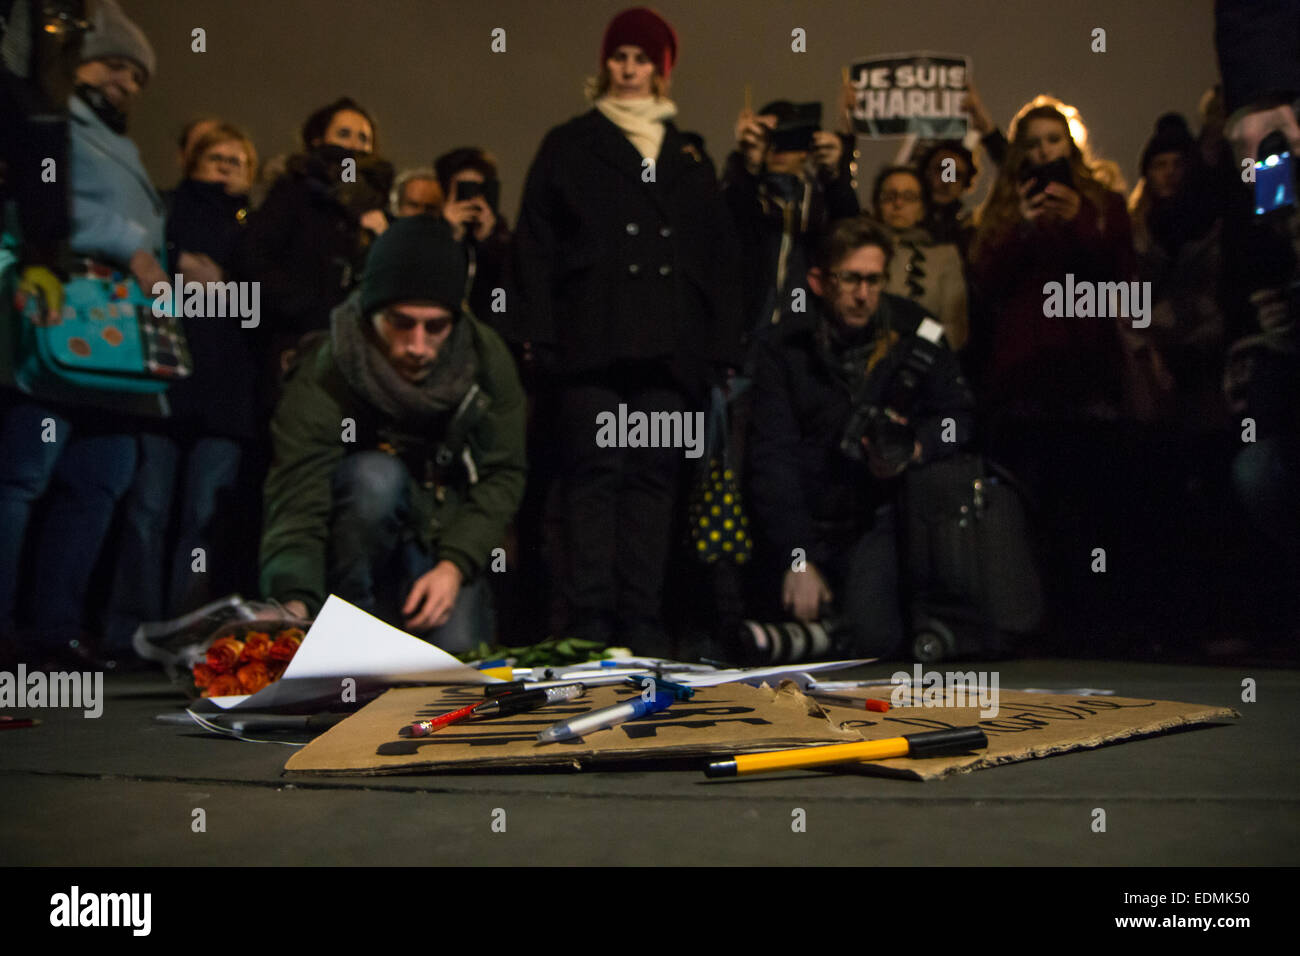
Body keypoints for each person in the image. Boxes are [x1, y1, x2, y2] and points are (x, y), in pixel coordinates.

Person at [510, 6, 742, 651]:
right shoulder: (568, 143)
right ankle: (589, 620)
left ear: (661, 71)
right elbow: (534, 243)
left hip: (670, 353)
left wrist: (719, 348)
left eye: (643, 58)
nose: (630, 69)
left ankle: (641, 620)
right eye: (620, 56)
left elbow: (719, 256)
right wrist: (540, 335)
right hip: (591, 345)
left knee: (653, 477)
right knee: (593, 474)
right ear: (604, 64)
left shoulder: (690, 153)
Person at [260, 216, 525, 649]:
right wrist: (293, 600)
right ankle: (348, 630)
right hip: (351, 543)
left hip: (441, 537)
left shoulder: (485, 359)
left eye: (435, 326)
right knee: (374, 478)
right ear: (370, 312)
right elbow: (295, 495)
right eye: (401, 323)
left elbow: (503, 474)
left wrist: (453, 566)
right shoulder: (328, 369)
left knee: (453, 668)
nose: (417, 345)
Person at [0, 0, 163, 667]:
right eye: (118, 66)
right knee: (24, 477)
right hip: (58, 316)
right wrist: (133, 243)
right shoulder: (42, 117)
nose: (127, 85)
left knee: (100, 480)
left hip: (116, 344)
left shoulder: (119, 141)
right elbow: (33, 202)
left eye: (137, 77)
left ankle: (56, 628)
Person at [746, 217, 973, 658]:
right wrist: (798, 557)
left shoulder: (916, 332)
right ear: (819, 281)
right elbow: (772, 458)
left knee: (874, 639)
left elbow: (960, 418)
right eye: (850, 279)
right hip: (806, 513)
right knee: (761, 635)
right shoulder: (787, 346)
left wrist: (916, 446)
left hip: (881, 515)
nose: (863, 293)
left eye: (873, 279)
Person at [103, 122, 262, 655]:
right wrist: (175, 267)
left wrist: (227, 286)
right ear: (191, 160)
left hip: (227, 398)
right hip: (162, 388)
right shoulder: (164, 211)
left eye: (236, 160)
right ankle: (129, 632)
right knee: (144, 512)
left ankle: (187, 636)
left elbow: (268, 301)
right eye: (214, 156)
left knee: (204, 519)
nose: (225, 166)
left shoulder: (259, 228)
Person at [233, 96, 393, 390]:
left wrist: (385, 239)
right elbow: (255, 259)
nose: (354, 146)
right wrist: (303, 311)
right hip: (296, 343)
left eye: (364, 138)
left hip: (363, 355)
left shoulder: (382, 209)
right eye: (343, 134)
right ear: (318, 140)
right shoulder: (293, 194)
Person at [723, 98, 859, 339]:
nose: (777, 150)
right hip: (746, 334)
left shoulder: (820, 198)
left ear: (809, 144)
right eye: (771, 139)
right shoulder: (745, 193)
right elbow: (726, 227)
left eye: (790, 139)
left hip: (803, 336)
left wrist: (837, 174)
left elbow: (850, 236)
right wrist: (744, 164)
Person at [1126, 113, 1228, 423]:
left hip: (1206, 355)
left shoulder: (1214, 226)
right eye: (1160, 165)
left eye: (1178, 164)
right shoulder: (1135, 232)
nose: (1169, 173)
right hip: (1152, 361)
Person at [871, 164, 968, 349]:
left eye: (909, 197)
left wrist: (913, 333)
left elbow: (956, 328)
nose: (898, 204)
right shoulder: (859, 249)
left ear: (922, 207)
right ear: (876, 204)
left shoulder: (944, 256)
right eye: (889, 197)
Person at [434, 147, 510, 326]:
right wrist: (448, 234)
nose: (472, 201)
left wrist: (486, 243)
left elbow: (501, 304)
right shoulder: (428, 237)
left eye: (478, 190)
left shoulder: (504, 244)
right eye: (464, 190)